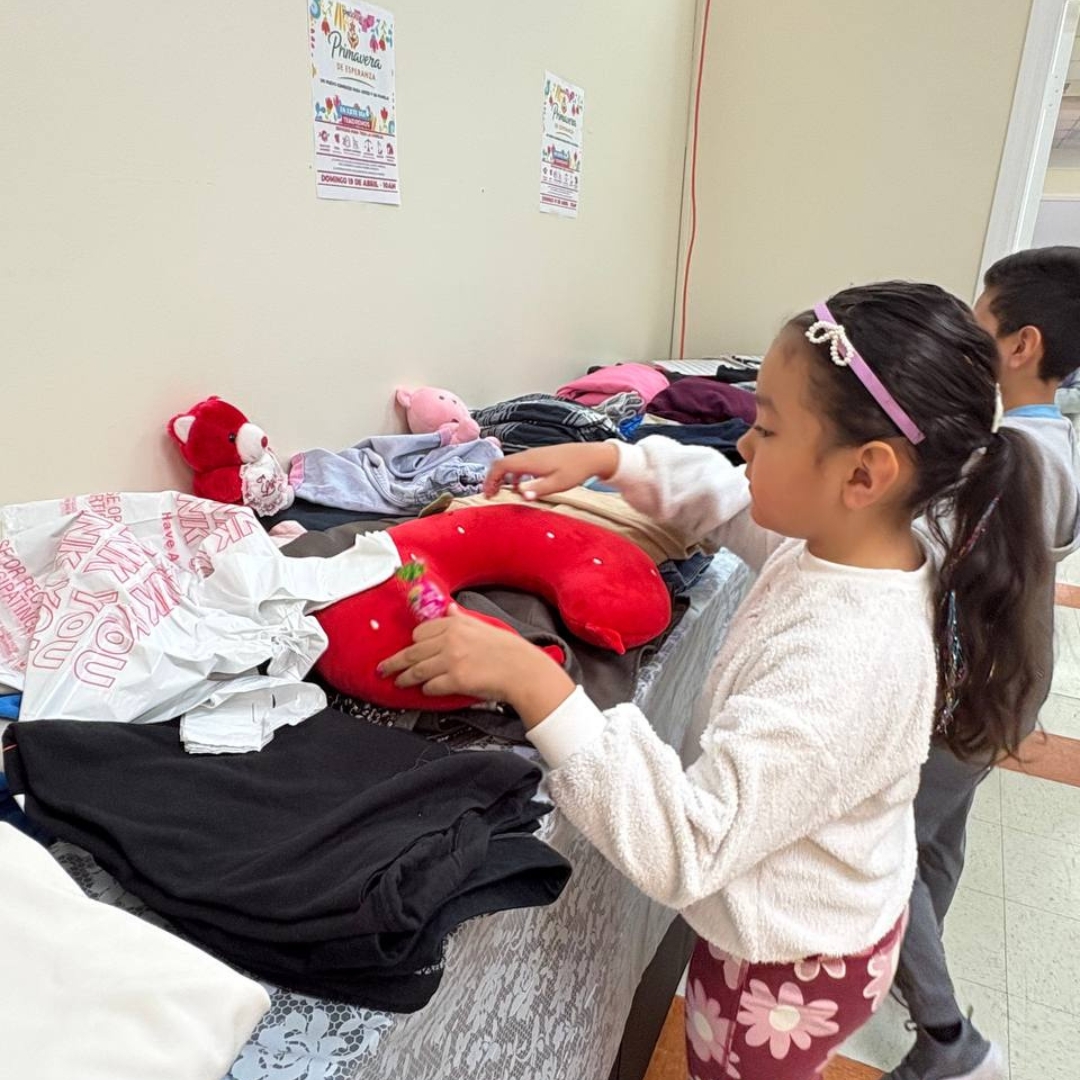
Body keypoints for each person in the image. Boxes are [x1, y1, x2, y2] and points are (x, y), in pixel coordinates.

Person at [379, 282, 1049, 1080]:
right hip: (805, 928)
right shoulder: (846, 546)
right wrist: (615, 459)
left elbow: (688, 845)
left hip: (786, 973)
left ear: (865, 473)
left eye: (767, 427)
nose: (746, 446)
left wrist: (537, 683)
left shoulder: (847, 658)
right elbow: (734, 502)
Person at [886, 247, 1080, 1080]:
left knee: (884, 849)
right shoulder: (1055, 439)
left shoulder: (1011, 459)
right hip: (1013, 678)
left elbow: (938, 553)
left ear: (1022, 344)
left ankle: (947, 1041)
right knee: (938, 833)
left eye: (979, 323)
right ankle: (910, 967)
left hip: (972, 684)